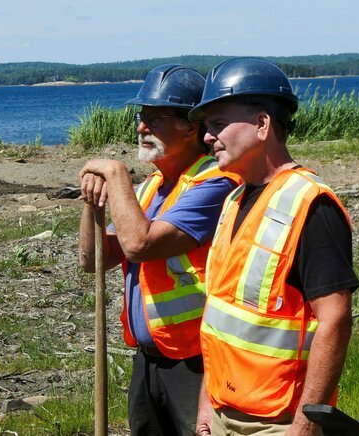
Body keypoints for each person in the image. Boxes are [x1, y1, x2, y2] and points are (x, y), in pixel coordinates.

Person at [187, 57, 359, 436]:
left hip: (279, 424)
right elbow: (221, 318)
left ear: (262, 124)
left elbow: (335, 320)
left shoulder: (311, 206)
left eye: (218, 125)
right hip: (222, 411)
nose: (206, 137)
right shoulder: (234, 201)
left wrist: (306, 423)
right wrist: (206, 403)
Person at [78, 64, 240, 436]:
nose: (141, 128)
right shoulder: (150, 188)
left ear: (191, 125)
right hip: (149, 359)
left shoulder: (215, 184)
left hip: (196, 361)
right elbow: (92, 260)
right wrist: (91, 203)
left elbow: (139, 244)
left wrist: (116, 175)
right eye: (141, 117)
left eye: (155, 118)